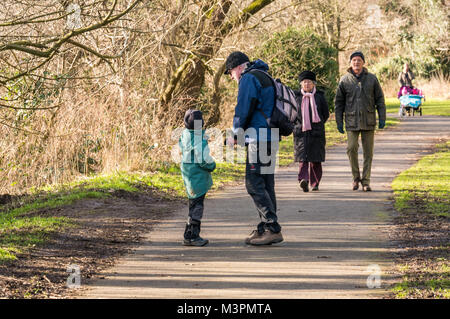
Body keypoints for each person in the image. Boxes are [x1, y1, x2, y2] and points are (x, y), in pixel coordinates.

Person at [224, 51, 283, 246]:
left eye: (231, 72)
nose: (232, 77)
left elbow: (243, 109)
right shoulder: (264, 75)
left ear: (238, 68)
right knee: (266, 183)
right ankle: (267, 226)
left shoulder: (248, 78)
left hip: (258, 137)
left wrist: (235, 134)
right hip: (271, 136)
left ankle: (271, 226)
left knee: (253, 183)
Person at [334, 51, 386, 192]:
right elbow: (338, 103)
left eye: (359, 60)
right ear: (350, 63)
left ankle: (366, 181)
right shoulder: (344, 80)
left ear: (363, 62)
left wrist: (382, 117)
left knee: (368, 152)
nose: (356, 63)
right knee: (351, 148)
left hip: (368, 120)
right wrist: (339, 121)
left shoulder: (372, 79)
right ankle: (356, 178)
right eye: (354, 60)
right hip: (351, 121)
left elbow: (380, 99)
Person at [179, 109, 216, 246]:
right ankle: (192, 235)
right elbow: (203, 160)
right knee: (197, 207)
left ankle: (188, 233)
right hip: (198, 178)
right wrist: (212, 165)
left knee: (192, 205)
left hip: (188, 175)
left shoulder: (184, 135)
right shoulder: (199, 139)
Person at [294, 70, 330, 192]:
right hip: (301, 132)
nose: (307, 84)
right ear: (301, 84)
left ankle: (315, 183)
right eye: (304, 82)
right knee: (302, 159)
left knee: (315, 160)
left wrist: (317, 124)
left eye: (309, 82)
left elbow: (325, 114)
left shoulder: (319, 97)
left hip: (316, 132)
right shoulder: (296, 97)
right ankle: (303, 181)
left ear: (314, 84)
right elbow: (292, 114)